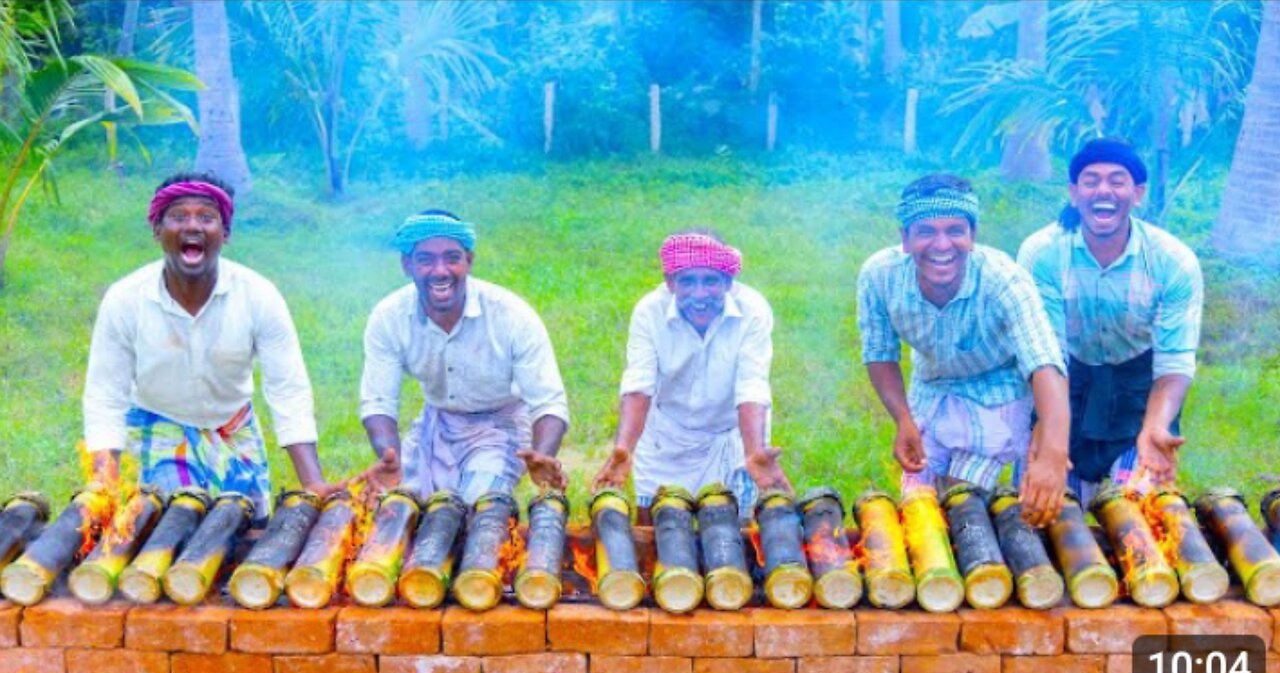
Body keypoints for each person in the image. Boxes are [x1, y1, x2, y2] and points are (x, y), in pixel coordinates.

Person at [83, 172, 335, 522]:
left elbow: (288, 390)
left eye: (206, 217)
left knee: (248, 531)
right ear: (158, 230)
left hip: (234, 427)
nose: (193, 226)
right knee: (174, 531)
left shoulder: (259, 295)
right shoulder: (125, 299)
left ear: (225, 233)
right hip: (161, 425)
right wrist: (104, 485)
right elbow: (105, 395)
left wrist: (313, 481)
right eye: (178, 217)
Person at [857, 174, 1070, 526]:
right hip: (932, 384)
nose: (942, 245)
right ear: (905, 239)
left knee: (962, 498)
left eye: (955, 231)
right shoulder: (880, 275)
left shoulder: (1005, 279)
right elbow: (880, 352)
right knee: (918, 501)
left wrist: (1053, 451)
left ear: (972, 236)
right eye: (926, 231)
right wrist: (903, 419)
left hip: (999, 388)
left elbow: (1044, 361)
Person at [1018, 138, 1204, 506]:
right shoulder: (1042, 254)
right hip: (1063, 381)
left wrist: (1156, 427)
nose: (1104, 190)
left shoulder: (1173, 262)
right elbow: (1046, 356)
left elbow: (1174, 364)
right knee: (1044, 505)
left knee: (1136, 506)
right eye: (1091, 180)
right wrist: (1048, 438)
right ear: (1074, 192)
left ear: (1138, 193)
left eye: (1117, 180)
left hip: (1139, 387)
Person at [359, 210, 570, 501]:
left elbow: (548, 401)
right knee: (396, 508)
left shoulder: (510, 315)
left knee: (474, 508)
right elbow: (378, 401)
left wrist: (543, 454)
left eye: (452, 258)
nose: (440, 270)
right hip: (435, 423)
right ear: (407, 264)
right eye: (425, 260)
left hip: (500, 425)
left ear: (469, 261)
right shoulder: (389, 317)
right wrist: (389, 456)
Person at [592, 231, 789, 523]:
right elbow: (638, 384)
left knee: (733, 534)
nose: (699, 294)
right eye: (687, 281)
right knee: (655, 527)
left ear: (728, 282)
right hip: (666, 437)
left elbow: (751, 384)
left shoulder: (753, 310)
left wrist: (754, 453)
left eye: (710, 281)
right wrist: (624, 449)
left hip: (730, 435)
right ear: (670, 283)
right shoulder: (649, 312)